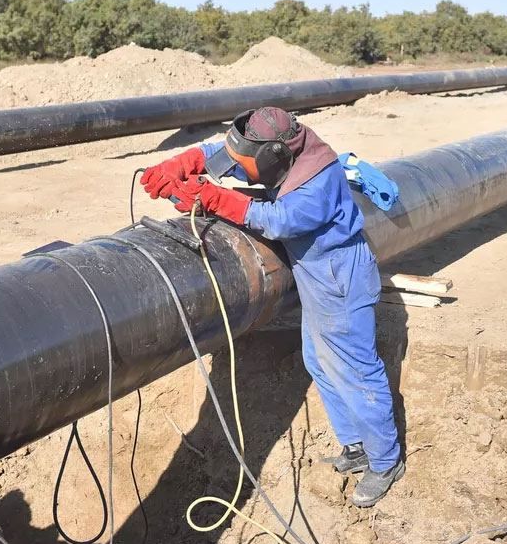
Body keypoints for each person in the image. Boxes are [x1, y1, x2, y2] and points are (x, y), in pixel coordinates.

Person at [140, 107, 404, 507]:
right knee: (320, 362)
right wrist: (188, 160)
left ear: (273, 157)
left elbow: (278, 220)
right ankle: (357, 446)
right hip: (317, 277)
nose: (242, 167)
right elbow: (228, 152)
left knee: (355, 372)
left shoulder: (317, 180)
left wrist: (214, 197)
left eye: (250, 163)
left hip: (339, 278)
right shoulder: (282, 148)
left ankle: (385, 461)